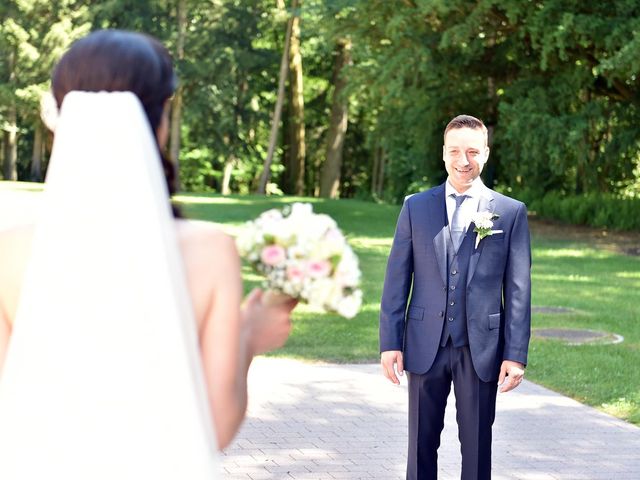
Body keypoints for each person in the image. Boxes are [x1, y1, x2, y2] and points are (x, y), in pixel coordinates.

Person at [0, 30, 295, 476]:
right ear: (159, 121)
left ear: (61, 117)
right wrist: (249, 336)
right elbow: (212, 430)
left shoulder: (12, 250)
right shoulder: (211, 252)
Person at [379, 114, 531, 480]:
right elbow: (397, 277)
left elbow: (518, 290)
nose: (464, 161)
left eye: (473, 152)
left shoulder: (509, 212)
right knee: (420, 446)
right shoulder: (415, 206)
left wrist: (515, 354)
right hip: (423, 344)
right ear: (443, 153)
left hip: (481, 348)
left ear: (487, 154)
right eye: (455, 151)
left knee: (477, 450)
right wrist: (390, 342)